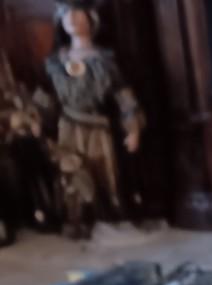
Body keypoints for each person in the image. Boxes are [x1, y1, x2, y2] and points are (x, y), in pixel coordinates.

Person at [43, 1, 143, 221]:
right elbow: (47, 97)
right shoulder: (55, 61)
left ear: (91, 18)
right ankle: (77, 220)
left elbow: (124, 96)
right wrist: (34, 121)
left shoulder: (103, 60)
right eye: (66, 13)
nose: (71, 18)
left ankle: (105, 215)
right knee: (72, 175)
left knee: (101, 174)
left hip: (96, 129)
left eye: (77, 13)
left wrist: (133, 128)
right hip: (66, 128)